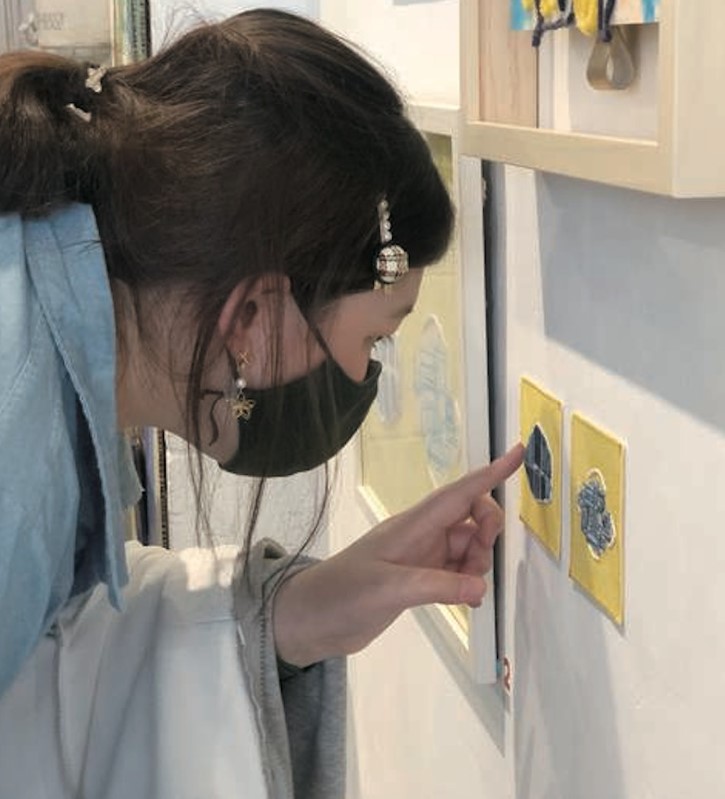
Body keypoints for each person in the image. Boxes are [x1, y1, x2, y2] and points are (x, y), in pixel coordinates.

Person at [0, 8, 524, 798]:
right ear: (253, 317)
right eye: (374, 339)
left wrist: (292, 614)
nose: (365, 372)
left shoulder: (56, 325)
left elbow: (48, 644)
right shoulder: (16, 446)